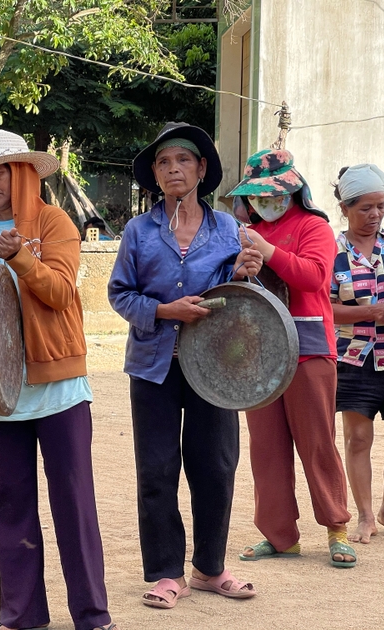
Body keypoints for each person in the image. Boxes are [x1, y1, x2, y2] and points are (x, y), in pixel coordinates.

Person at [0, 129, 116, 630]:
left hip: (57, 388)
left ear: (22, 172)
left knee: (74, 501)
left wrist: (21, 255)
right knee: (7, 501)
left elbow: (62, 293)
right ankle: (20, 616)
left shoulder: (54, 220)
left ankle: (92, 615)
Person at [108, 122, 259, 609]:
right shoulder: (138, 230)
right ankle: (166, 573)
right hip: (153, 366)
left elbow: (244, 302)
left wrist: (244, 275)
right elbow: (120, 294)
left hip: (214, 367)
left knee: (215, 465)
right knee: (156, 469)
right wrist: (165, 311)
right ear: (154, 173)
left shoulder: (229, 230)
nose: (174, 169)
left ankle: (210, 569)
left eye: (183, 161)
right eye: (164, 162)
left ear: (201, 170)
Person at [228, 148, 356, 567]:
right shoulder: (245, 231)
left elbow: (315, 277)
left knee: (317, 442)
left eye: (272, 193)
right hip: (259, 352)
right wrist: (240, 268)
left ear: (294, 189)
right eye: (256, 196)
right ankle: (280, 536)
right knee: (266, 447)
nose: (263, 202)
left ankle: (337, 528)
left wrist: (266, 249)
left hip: (310, 347)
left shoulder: (313, 225)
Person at [329, 164, 384, 543]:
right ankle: (365, 516)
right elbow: (323, 306)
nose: (374, 215)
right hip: (353, 358)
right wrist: (370, 312)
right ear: (345, 208)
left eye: (381, 207)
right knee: (358, 439)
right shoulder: (333, 252)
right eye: (365, 208)